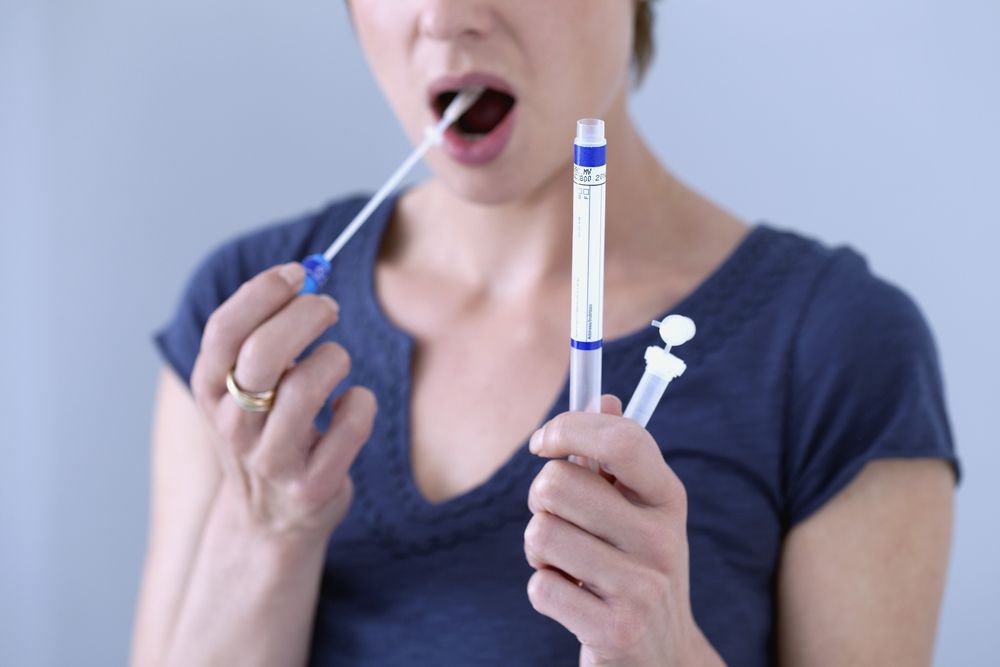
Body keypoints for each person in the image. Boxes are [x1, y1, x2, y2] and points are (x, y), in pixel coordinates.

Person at [130, 2, 959, 665]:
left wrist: (662, 649)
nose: (445, 17)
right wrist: (268, 526)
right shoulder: (247, 331)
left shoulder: (837, 348)